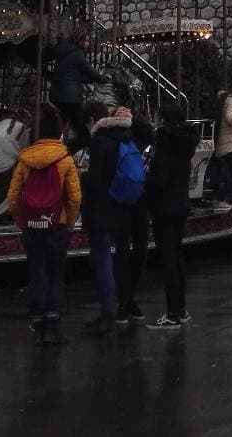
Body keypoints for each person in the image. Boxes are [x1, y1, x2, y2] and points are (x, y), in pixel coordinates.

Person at [6, 104, 81, 343]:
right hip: (56, 224)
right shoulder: (65, 159)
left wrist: (21, 219)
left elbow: (13, 196)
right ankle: (53, 325)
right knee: (56, 274)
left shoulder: (25, 159)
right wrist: (69, 221)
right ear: (59, 133)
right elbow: (75, 196)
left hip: (32, 225)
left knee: (36, 272)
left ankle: (37, 324)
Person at [81, 101, 154, 334]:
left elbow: (94, 180)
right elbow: (148, 132)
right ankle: (129, 300)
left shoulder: (102, 142)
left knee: (118, 253)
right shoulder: (131, 138)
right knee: (135, 250)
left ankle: (119, 304)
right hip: (138, 199)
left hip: (115, 203)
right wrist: (134, 117)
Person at [144, 102, 199, 328]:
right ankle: (181, 308)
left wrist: (148, 188)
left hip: (164, 206)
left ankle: (172, 313)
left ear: (163, 119)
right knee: (176, 257)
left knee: (168, 259)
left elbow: (159, 178)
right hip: (181, 203)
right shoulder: (185, 143)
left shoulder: (164, 144)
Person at [46, 28, 107, 153]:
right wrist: (103, 79)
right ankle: (66, 154)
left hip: (56, 96)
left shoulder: (64, 53)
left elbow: (72, 75)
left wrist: (87, 80)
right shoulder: (77, 54)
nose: (87, 44)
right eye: (86, 41)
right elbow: (89, 71)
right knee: (84, 135)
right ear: (79, 41)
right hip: (70, 99)